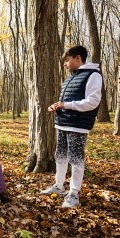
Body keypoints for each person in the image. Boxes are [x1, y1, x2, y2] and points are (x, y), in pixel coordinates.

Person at [41, 45, 102, 208]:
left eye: (67, 61)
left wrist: (66, 105)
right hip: (62, 124)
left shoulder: (93, 75)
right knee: (59, 155)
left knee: (76, 159)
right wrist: (57, 106)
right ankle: (59, 186)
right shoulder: (71, 78)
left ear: (78, 58)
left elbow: (92, 102)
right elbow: (67, 101)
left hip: (78, 125)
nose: (65, 64)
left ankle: (74, 193)